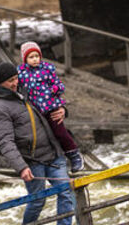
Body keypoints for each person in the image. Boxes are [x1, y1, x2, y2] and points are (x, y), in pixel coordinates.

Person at [0, 62, 82, 225]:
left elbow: (50, 100)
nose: (15, 83)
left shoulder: (27, 90)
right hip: (32, 161)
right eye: (10, 81)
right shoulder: (0, 107)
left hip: (53, 154)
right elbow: (5, 142)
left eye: (16, 78)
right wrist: (21, 167)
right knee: (38, 200)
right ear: (0, 83)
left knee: (66, 192)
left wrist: (63, 109)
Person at [18, 41, 84, 172]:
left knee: (59, 132)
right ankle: (52, 163)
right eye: (31, 57)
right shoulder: (21, 72)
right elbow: (16, 87)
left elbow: (59, 85)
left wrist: (54, 89)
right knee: (42, 135)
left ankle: (74, 155)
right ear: (25, 59)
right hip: (35, 110)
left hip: (50, 106)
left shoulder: (47, 69)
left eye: (37, 56)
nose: (35, 59)